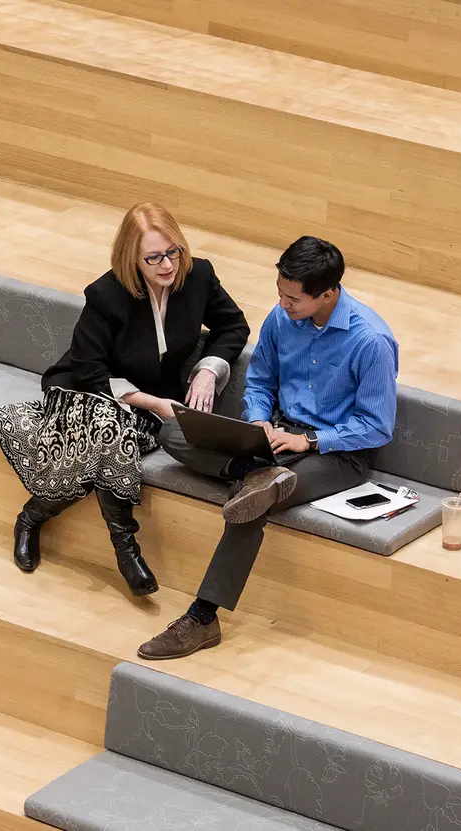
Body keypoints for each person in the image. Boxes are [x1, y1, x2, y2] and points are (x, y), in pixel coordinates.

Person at [138, 236, 399, 657]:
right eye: (279, 292)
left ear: (327, 294)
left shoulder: (370, 341)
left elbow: (376, 426)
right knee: (173, 432)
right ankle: (255, 474)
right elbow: (260, 382)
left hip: (336, 454)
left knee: (253, 504)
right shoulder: (281, 319)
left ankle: (203, 618)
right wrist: (258, 419)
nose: (282, 304)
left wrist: (309, 440)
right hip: (274, 439)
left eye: (293, 298)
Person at [0, 203, 250, 596]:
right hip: (87, 390)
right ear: (132, 258)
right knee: (108, 429)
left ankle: (32, 516)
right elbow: (88, 370)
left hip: (149, 400)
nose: (167, 265)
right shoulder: (106, 294)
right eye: (154, 257)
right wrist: (153, 404)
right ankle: (126, 550)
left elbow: (233, 326)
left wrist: (208, 371)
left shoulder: (198, 275)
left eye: (173, 251)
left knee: (106, 437)